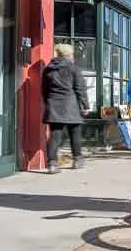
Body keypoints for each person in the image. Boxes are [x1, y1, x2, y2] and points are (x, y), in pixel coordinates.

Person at [42, 43, 90, 174]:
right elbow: (80, 88)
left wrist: (48, 102)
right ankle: (77, 159)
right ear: (68, 55)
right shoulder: (73, 68)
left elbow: (44, 90)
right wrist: (85, 105)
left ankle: (52, 164)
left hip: (54, 104)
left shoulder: (48, 69)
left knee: (55, 135)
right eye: (72, 54)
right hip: (71, 105)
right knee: (75, 133)